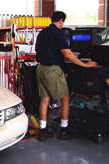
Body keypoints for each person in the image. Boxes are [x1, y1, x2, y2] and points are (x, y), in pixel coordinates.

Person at [35, 11, 98, 141]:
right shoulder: (59, 33)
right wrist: (85, 64)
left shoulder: (42, 33)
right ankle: (64, 130)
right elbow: (68, 54)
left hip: (40, 69)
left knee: (45, 99)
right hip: (52, 70)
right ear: (61, 21)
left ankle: (43, 131)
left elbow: (39, 50)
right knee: (65, 98)